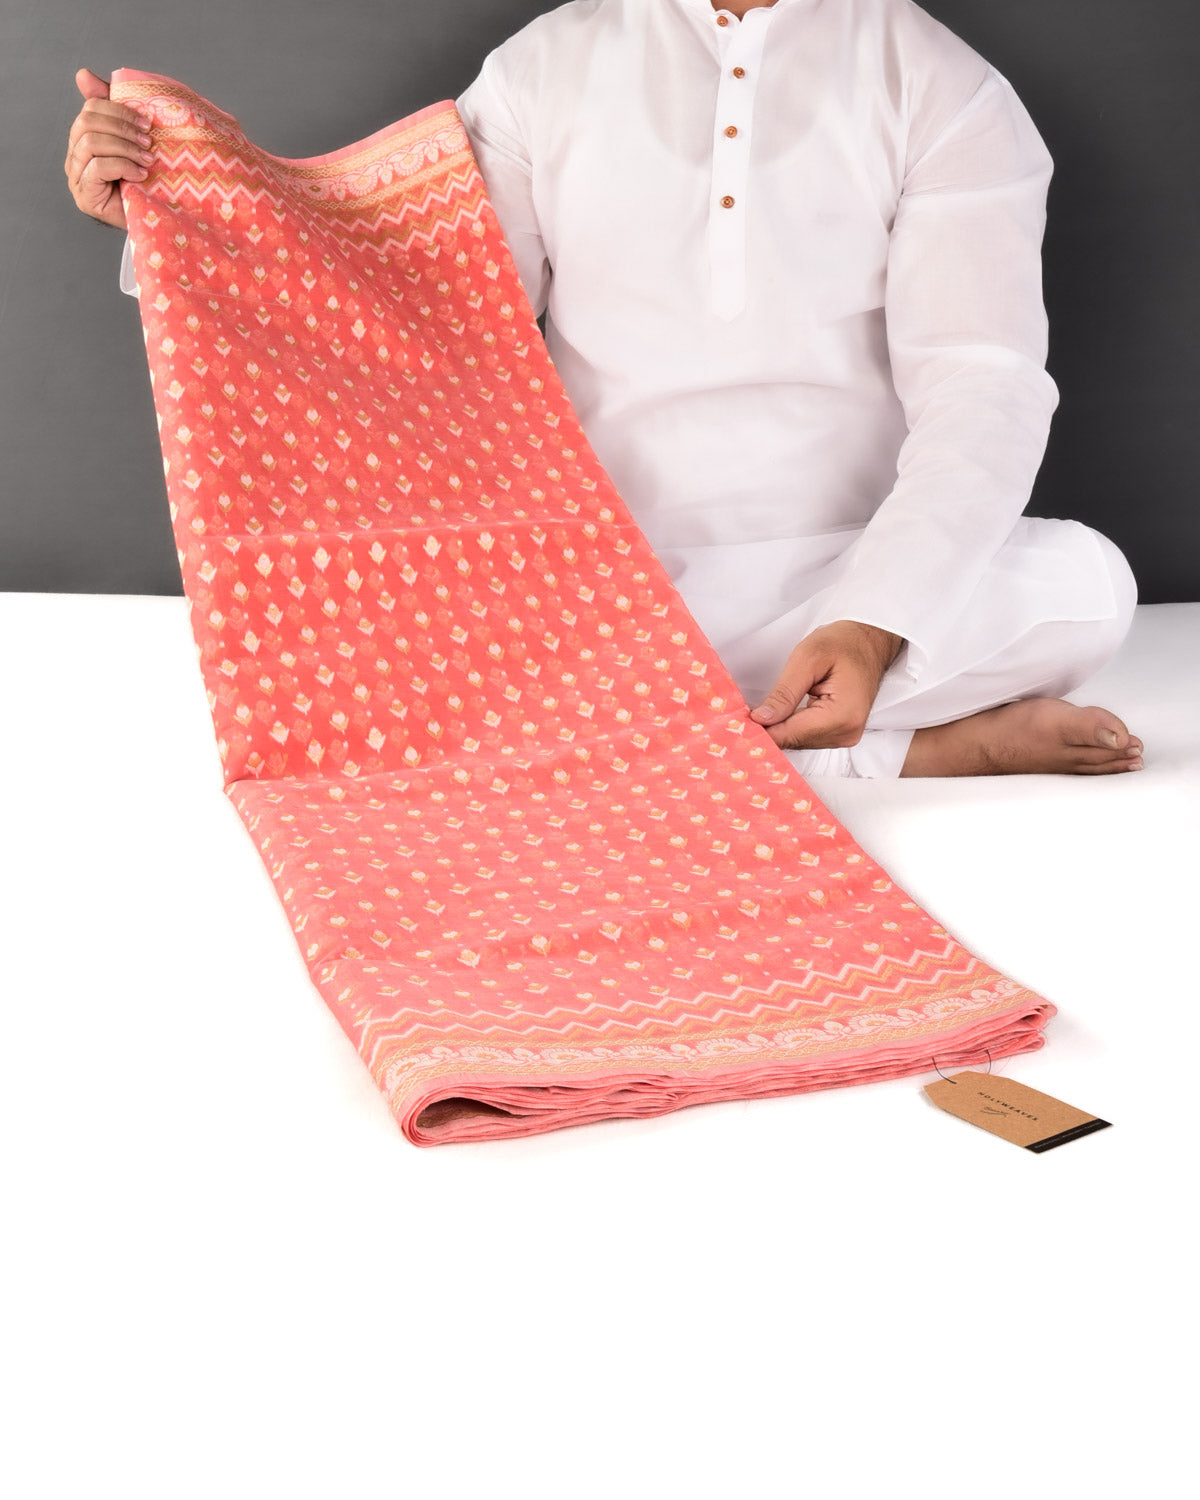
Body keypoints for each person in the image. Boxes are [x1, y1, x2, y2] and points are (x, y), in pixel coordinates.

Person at [64, 0, 1144, 780]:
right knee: (369, 628)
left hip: (843, 580)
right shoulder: (545, 67)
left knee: (1088, 586)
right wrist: (172, 220)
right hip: (591, 583)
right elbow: (412, 311)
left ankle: (635, 732)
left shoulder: (942, 87)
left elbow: (985, 388)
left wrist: (870, 625)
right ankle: (884, 754)